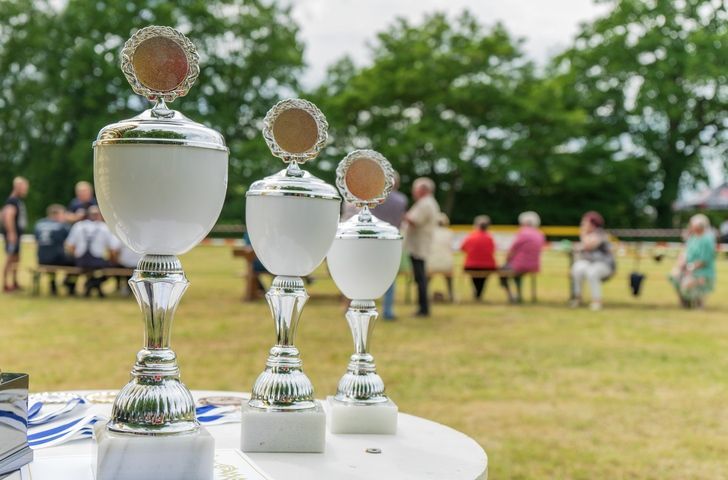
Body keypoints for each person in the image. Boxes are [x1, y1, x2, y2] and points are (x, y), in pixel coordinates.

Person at [371, 172, 408, 320]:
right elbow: (400, 221)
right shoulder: (401, 200)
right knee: (390, 276)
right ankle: (388, 310)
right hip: (392, 239)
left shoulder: (374, 197)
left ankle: (368, 305)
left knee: (369, 273)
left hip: (373, 239)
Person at [404, 177, 440, 317]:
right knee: (420, 278)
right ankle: (423, 307)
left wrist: (402, 214)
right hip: (419, 245)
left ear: (423, 190)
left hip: (419, 246)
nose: (413, 192)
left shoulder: (425, 204)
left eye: (415, 189)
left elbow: (414, 221)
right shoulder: (427, 203)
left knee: (420, 278)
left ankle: (423, 308)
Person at [65, 206, 119, 297]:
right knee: (113, 268)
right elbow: (113, 248)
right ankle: (94, 285)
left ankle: (90, 285)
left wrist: (76, 255)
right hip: (97, 262)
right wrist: (112, 259)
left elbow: (69, 246)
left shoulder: (78, 226)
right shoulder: (104, 227)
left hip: (81, 261)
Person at [570, 211, 615, 310]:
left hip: (605, 264)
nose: (582, 224)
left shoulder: (600, 233)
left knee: (592, 272)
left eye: (585, 222)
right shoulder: (588, 234)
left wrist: (583, 233)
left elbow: (588, 246)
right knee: (577, 268)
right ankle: (577, 298)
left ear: (593, 224)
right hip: (590, 263)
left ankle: (596, 301)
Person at [669, 214, 716, 308]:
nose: (690, 227)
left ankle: (698, 303)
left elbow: (704, 260)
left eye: (692, 225)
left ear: (700, 226)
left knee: (688, 284)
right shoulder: (692, 238)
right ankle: (685, 302)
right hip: (688, 268)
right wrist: (681, 264)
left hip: (702, 271)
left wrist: (690, 268)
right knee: (674, 276)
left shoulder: (707, 239)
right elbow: (685, 253)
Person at [499, 211, 546, 303]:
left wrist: (507, 260)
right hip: (535, 265)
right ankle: (518, 295)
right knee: (517, 275)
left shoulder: (522, 233)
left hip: (519, 265)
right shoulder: (540, 233)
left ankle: (511, 296)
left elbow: (512, 250)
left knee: (502, 271)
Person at [34, 204, 75, 295]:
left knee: (50, 258)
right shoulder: (62, 226)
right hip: (57, 258)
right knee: (75, 262)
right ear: (57, 215)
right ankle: (70, 285)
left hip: (41, 259)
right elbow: (69, 243)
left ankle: (52, 285)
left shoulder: (39, 224)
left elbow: (36, 241)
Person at [2, 177, 29, 293]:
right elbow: (8, 216)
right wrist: (11, 233)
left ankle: (14, 282)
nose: (26, 190)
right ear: (17, 187)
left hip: (17, 234)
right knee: (10, 259)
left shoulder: (17, 201)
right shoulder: (12, 201)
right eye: (24, 188)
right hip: (13, 235)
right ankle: (5, 284)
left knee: (16, 259)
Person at [461, 215, 497, 301]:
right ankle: (479, 293)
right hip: (488, 266)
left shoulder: (471, 236)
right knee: (482, 277)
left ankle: (477, 293)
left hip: (471, 266)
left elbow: (463, 248)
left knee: (475, 276)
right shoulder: (490, 238)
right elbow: (493, 249)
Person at [427, 213, 455, 302]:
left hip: (431, 264)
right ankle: (451, 295)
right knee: (449, 278)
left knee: (426, 279)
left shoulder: (429, 233)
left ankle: (423, 295)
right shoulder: (450, 233)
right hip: (447, 265)